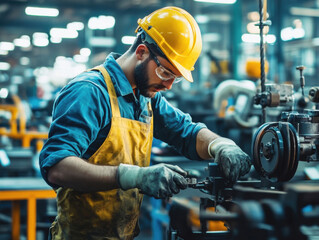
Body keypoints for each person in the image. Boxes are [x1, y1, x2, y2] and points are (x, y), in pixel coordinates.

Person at [39, 6, 251, 240]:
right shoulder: (89, 92)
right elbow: (57, 167)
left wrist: (220, 145)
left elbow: (187, 133)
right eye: (165, 73)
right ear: (141, 52)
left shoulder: (145, 97)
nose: (169, 85)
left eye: (175, 79)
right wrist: (135, 177)